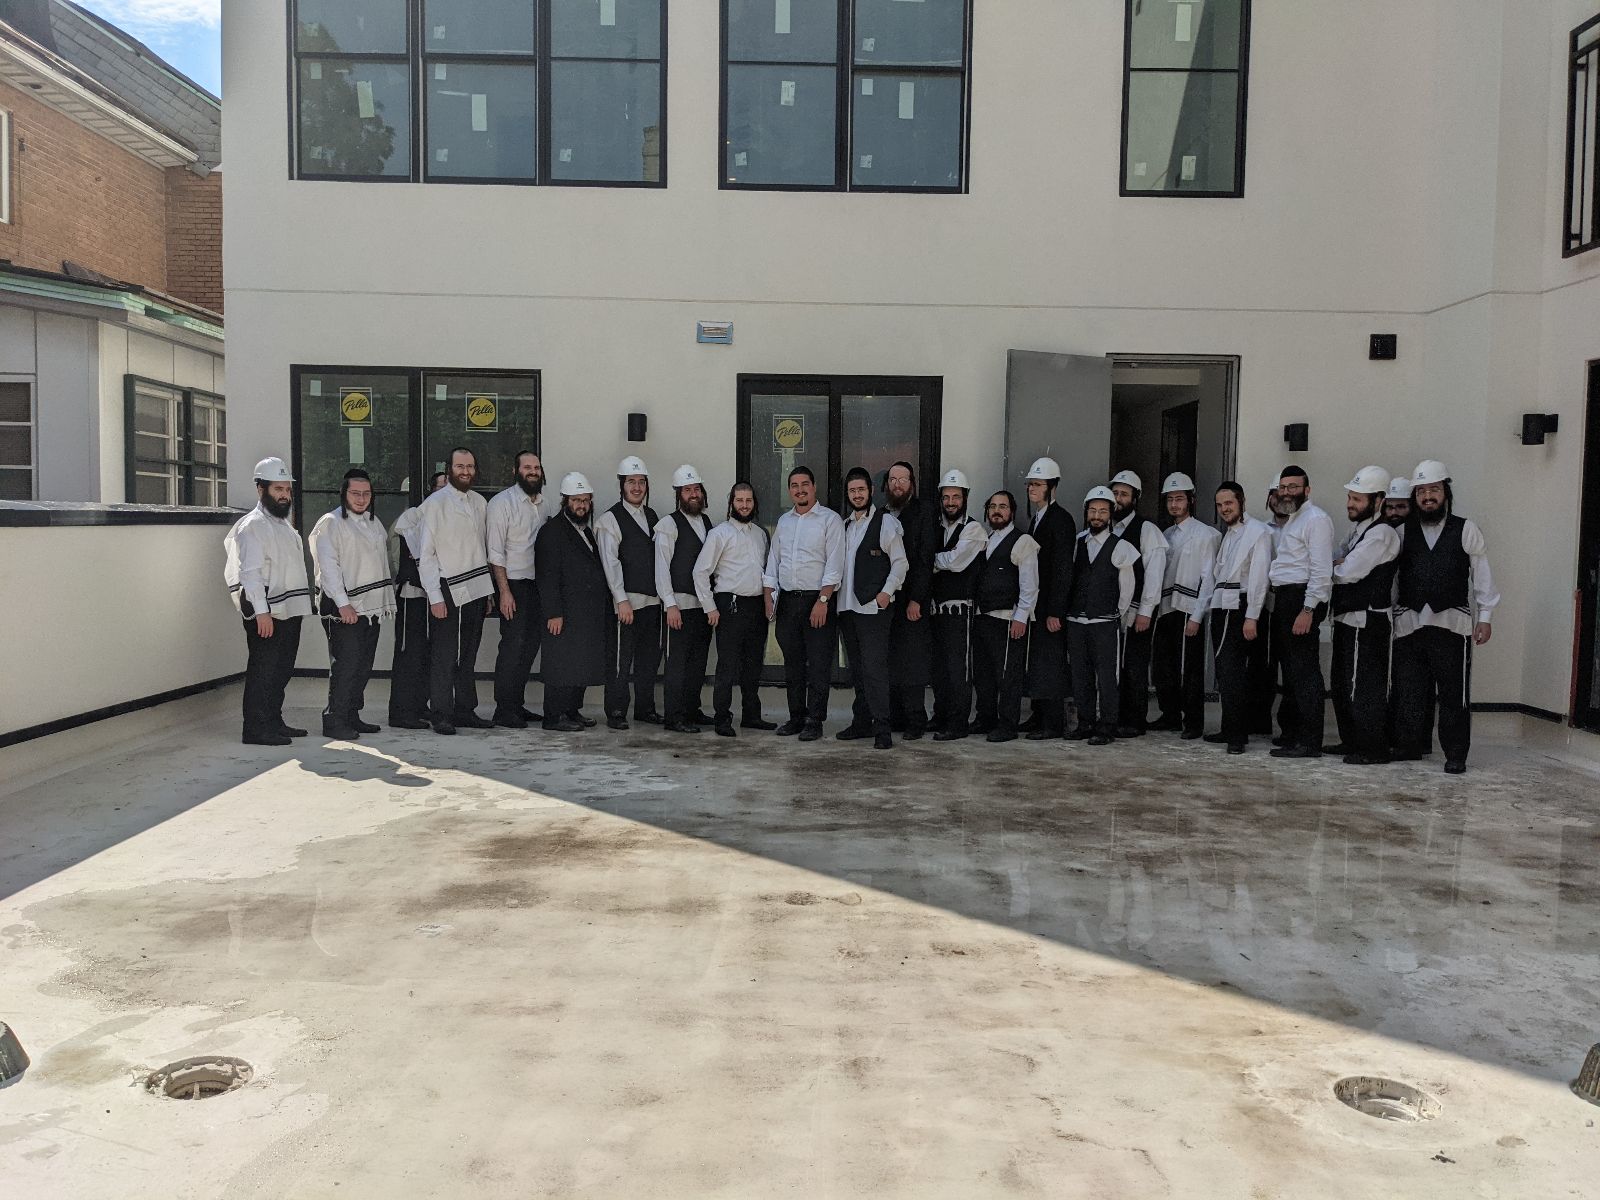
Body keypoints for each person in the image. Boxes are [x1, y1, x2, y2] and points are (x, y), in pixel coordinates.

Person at [1391, 460, 1499, 774]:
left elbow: (1481, 574)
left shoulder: (1466, 529)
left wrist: (1485, 615)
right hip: (1409, 624)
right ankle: (1409, 745)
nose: (1428, 496)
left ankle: (1455, 754)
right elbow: (1393, 579)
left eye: (1434, 490)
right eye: (1421, 491)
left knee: (1454, 694)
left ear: (1445, 493)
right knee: (1408, 690)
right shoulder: (1401, 532)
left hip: (1452, 624)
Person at [224, 457, 312, 746]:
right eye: (278, 489)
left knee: (282, 668)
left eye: (287, 489)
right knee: (263, 670)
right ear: (261, 489)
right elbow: (250, 573)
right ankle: (256, 729)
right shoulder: (253, 526)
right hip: (267, 610)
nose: (285, 495)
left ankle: (273, 721)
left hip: (288, 609)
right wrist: (262, 613)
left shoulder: (282, 524)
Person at [308, 468, 394, 739]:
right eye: (355, 493)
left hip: (370, 609)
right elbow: (328, 567)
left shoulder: (373, 522)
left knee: (363, 665)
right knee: (346, 665)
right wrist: (343, 603)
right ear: (344, 494)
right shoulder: (331, 523)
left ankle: (352, 715)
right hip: (343, 608)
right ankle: (334, 719)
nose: (361, 498)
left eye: (366, 493)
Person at [763, 465, 845, 741]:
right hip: (788, 601)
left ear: (814, 487)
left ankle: (815, 720)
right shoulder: (784, 522)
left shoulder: (830, 520)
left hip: (817, 600)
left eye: (804, 484)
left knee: (819, 664)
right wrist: (769, 596)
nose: (800, 490)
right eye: (794, 485)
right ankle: (796, 717)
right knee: (793, 664)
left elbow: (834, 565)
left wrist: (823, 600)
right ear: (789, 490)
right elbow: (773, 561)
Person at [416, 448, 494, 735]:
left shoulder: (480, 502)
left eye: (470, 466)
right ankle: (441, 713)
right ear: (449, 469)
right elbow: (426, 555)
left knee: (468, 653)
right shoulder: (435, 504)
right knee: (445, 654)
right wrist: (435, 596)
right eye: (460, 466)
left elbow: (481, 549)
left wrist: (488, 592)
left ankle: (465, 710)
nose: (465, 471)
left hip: (477, 586)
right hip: (447, 588)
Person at [1329, 466, 1402, 766]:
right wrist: (1339, 563)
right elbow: (1341, 559)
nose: (1351, 504)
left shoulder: (1381, 533)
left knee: (1364, 686)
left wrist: (1335, 566)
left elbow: (1349, 571)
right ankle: (1351, 741)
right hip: (1348, 617)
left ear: (1379, 500)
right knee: (1342, 683)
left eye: (1358, 499)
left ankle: (1373, 748)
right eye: (1350, 497)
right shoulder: (1360, 531)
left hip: (1367, 620)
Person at [835, 466, 909, 749]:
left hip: (873, 610)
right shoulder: (844, 526)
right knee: (857, 670)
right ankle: (862, 722)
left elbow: (900, 563)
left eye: (861, 490)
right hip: (847, 609)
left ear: (871, 491)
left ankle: (883, 729)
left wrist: (885, 594)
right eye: (852, 490)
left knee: (875, 670)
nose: (857, 495)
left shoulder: (886, 523)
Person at [694, 482, 774, 737]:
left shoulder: (760, 534)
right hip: (730, 605)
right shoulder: (719, 534)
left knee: (753, 665)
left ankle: (751, 715)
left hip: (755, 606)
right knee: (727, 666)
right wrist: (710, 607)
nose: (744, 505)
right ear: (731, 503)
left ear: (754, 503)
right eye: (739, 500)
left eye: (749, 500)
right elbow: (700, 572)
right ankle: (722, 718)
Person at [1266, 465, 1335, 758]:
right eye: (1283, 487)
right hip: (1286, 598)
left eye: (1293, 487)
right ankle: (1293, 734)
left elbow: (1321, 570)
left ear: (1307, 490)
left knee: (1305, 672)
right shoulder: (1294, 520)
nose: (1287, 492)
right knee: (1292, 672)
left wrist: (1308, 609)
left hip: (1302, 600)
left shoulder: (1316, 520)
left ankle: (1309, 741)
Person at [1065, 486, 1140, 745]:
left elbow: (1127, 588)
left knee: (1107, 677)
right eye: (1093, 511)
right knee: (1080, 675)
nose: (1097, 516)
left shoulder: (1121, 547)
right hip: (1076, 621)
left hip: (1104, 623)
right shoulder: (1077, 543)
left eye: (1103, 511)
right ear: (1086, 512)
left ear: (1110, 514)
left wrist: (1113, 614)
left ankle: (1107, 726)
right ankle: (1085, 723)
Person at [535, 472, 609, 731]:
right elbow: (547, 576)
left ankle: (571, 710)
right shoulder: (551, 532)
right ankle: (553, 716)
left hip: (584, 613)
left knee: (580, 664)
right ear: (565, 501)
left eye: (586, 501)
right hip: (563, 612)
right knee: (560, 664)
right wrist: (553, 612)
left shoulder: (585, 530)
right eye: (576, 500)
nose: (582, 506)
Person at [594, 456, 661, 730]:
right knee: (621, 661)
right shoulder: (609, 520)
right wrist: (621, 600)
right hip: (626, 604)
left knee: (649, 659)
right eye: (631, 482)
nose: (636, 487)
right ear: (621, 485)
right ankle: (617, 710)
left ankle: (645, 709)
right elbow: (610, 563)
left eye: (641, 482)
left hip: (652, 602)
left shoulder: (652, 516)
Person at [1150, 472, 1219, 739]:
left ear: (1191, 500)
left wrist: (1197, 616)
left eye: (1179, 499)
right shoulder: (1166, 534)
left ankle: (1193, 722)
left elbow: (1208, 579)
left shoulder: (1206, 534)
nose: (1174, 504)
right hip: (1166, 609)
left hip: (1189, 610)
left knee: (1189, 669)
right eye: (1170, 499)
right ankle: (1170, 715)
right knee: (1164, 667)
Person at [1205, 482, 1271, 754]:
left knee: (1234, 672)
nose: (1224, 509)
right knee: (1224, 671)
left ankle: (1237, 735)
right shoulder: (1229, 535)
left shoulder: (1258, 532)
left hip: (1240, 607)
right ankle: (1229, 727)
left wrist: (1252, 616)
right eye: (1220, 505)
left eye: (1228, 503)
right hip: (1223, 606)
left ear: (1241, 501)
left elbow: (1258, 578)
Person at [970, 491, 1040, 743]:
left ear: (1012, 511)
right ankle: (985, 718)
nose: (997, 511)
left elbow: (1030, 584)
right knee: (984, 674)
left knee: (1008, 675)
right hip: (983, 616)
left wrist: (1021, 617)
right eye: (992, 507)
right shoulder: (985, 540)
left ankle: (1008, 725)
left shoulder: (1023, 542)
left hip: (1008, 618)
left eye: (1003, 507)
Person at [488, 450, 548, 729]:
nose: (533, 472)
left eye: (536, 467)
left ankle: (516, 705)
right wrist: (504, 592)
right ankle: (503, 709)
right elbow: (495, 552)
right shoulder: (502, 503)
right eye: (527, 467)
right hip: (512, 584)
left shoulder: (545, 504)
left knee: (529, 647)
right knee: (512, 647)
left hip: (537, 585)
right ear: (516, 471)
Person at [1019, 457, 1077, 740]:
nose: (1032, 488)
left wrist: (1056, 610)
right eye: (1030, 484)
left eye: (1038, 484)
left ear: (1052, 487)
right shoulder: (1038, 519)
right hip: (1038, 605)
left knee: (1051, 662)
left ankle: (1052, 723)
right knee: (1038, 660)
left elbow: (1063, 568)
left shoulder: (1061, 519)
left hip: (1050, 606)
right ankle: (1039, 714)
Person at [928, 468, 987, 741]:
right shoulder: (935, 526)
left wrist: (932, 561)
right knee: (938, 668)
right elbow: (946, 558)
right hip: (936, 609)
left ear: (965, 498)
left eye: (956, 497)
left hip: (961, 611)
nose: (951, 502)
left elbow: (956, 562)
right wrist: (942, 558)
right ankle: (940, 716)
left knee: (958, 668)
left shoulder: (974, 529)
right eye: (946, 497)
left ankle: (958, 722)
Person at [656, 465, 715, 733]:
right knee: (677, 664)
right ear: (678, 494)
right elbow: (661, 568)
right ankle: (674, 717)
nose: (693, 494)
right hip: (678, 606)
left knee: (697, 663)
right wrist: (670, 605)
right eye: (687, 490)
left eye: (696, 489)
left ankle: (692, 710)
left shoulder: (707, 523)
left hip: (702, 607)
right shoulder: (668, 525)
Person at [387, 470, 448, 729]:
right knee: (408, 654)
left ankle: (419, 705)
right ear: (430, 491)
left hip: (434, 599)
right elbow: (398, 561)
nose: (446, 493)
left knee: (426, 654)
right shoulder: (410, 519)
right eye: (441, 487)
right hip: (411, 595)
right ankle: (401, 713)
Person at [1110, 470, 1167, 737]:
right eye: (1115, 493)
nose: (1118, 499)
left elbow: (1154, 574)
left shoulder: (1147, 530)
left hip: (1136, 613)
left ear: (1135, 498)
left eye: (1124, 494)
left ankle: (1134, 721)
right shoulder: (1105, 526)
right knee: (1114, 666)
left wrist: (1146, 611)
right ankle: (1115, 717)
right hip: (1110, 613)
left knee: (1134, 665)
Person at [883, 462, 935, 739]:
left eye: (903, 479)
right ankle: (896, 717)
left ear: (912, 483)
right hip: (887, 600)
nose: (897, 484)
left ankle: (916, 719)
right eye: (893, 479)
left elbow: (926, 559)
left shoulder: (924, 512)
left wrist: (917, 599)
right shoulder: (881, 514)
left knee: (912, 661)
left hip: (912, 599)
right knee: (891, 658)